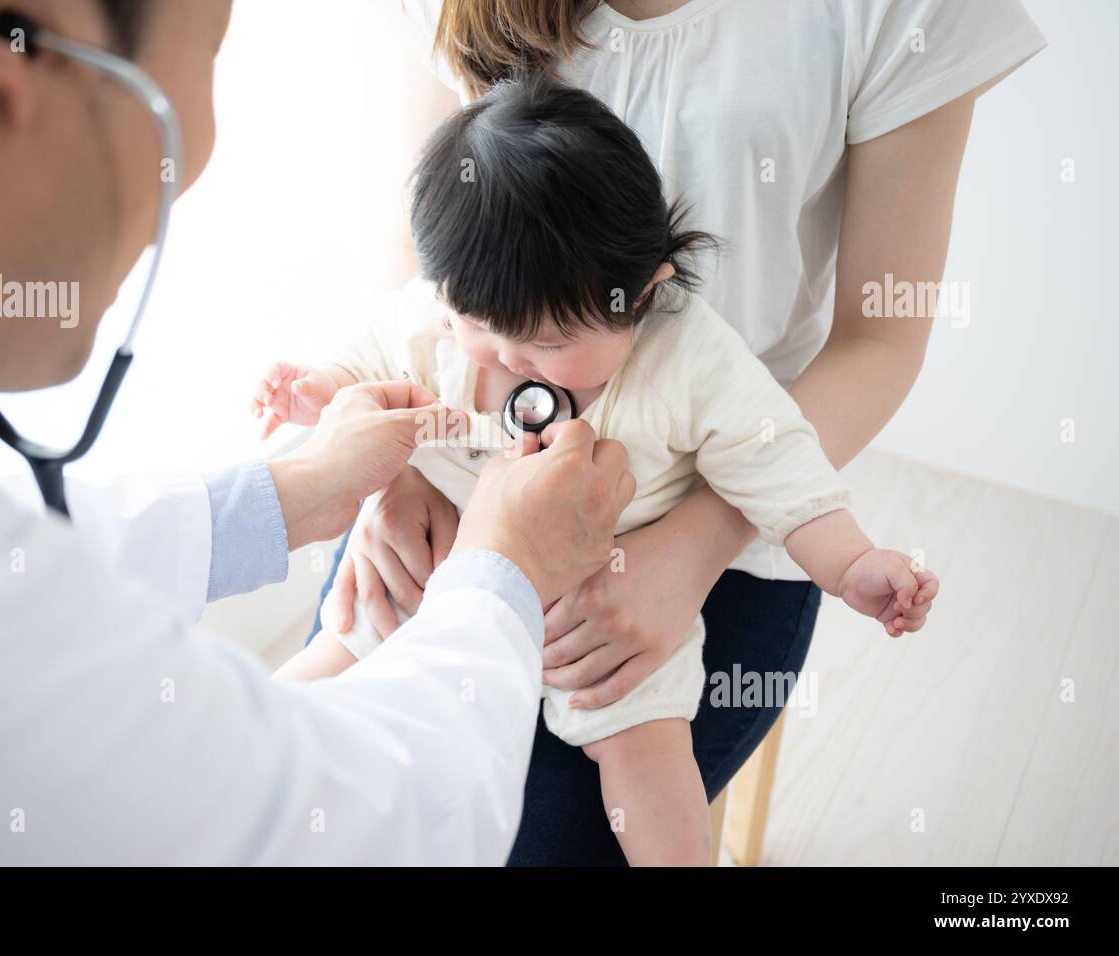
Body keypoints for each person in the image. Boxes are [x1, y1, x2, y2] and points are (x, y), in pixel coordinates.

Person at [0, 0, 635, 864]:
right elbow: (367, 827)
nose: (198, 158)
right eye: (210, 50)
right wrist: (505, 571)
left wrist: (300, 492)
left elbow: (10, 551)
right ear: (10, 27)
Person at [320, 0, 1046, 864]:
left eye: (548, 344)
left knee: (629, 756)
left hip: (679, 544)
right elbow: (403, 302)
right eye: (485, 330)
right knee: (333, 724)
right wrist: (383, 459)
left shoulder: (695, 361)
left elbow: (831, 392)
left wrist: (828, 560)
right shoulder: (446, 327)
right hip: (454, 512)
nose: (513, 362)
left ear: (648, 294)